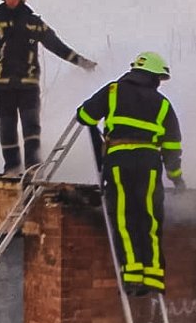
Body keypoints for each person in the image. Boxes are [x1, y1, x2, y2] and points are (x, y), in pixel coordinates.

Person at [77, 52, 185, 297]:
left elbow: (85, 116)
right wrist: (177, 178)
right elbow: (171, 147)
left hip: (119, 162)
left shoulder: (114, 91)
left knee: (125, 218)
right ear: (155, 77)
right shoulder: (163, 104)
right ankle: (154, 277)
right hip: (148, 165)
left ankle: (133, 276)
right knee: (150, 218)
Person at [0, 0, 98, 175]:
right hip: (2, 85)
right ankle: (12, 168)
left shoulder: (33, 23)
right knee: (7, 129)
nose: (11, 0)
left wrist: (82, 62)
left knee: (31, 127)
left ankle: (33, 168)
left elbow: (56, 45)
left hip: (28, 85)